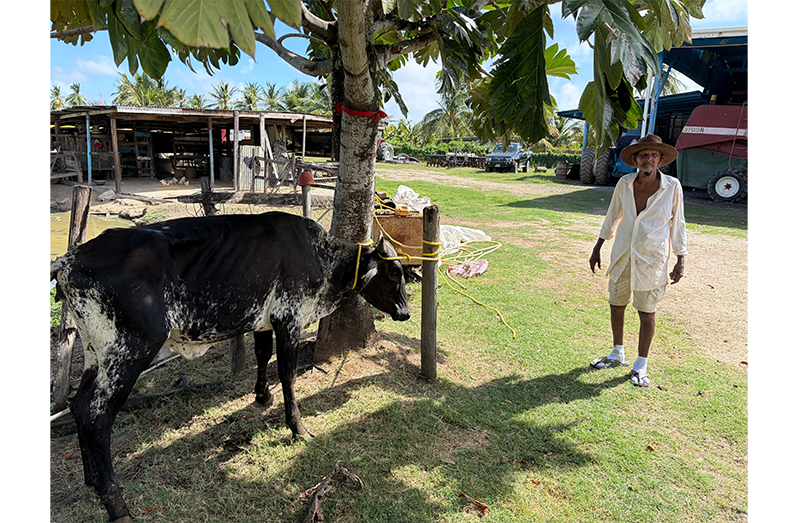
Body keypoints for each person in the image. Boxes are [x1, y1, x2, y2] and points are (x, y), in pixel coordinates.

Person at [589, 134, 688, 387]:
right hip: (623, 252)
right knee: (616, 303)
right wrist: (598, 246)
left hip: (651, 258)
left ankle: (640, 364)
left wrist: (681, 259)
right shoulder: (624, 183)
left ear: (661, 159)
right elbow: (612, 216)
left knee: (647, 312)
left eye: (654, 155)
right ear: (635, 160)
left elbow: (679, 224)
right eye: (643, 155)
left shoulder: (672, 186)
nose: (648, 159)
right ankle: (617, 352)